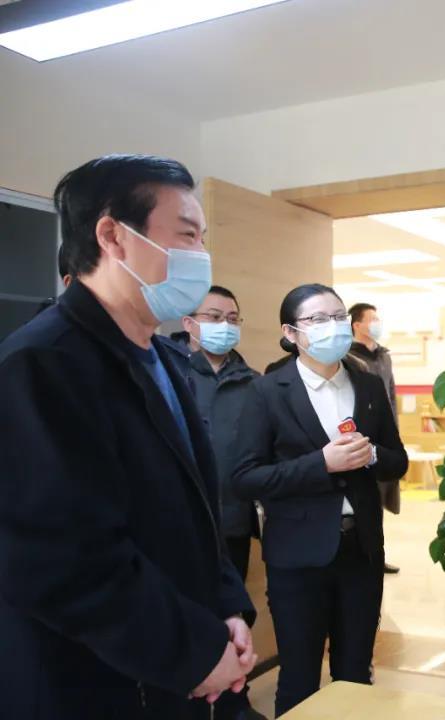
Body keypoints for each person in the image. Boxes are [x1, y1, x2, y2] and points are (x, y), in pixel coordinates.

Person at [0, 154, 256, 719]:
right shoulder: (43, 366)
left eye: (202, 238)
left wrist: (227, 609)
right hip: (94, 685)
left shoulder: (164, 358)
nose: (200, 254)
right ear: (113, 236)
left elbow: (196, 514)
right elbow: (66, 561)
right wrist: (193, 651)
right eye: (186, 235)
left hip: (173, 676)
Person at [232, 283, 408, 716]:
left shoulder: (368, 385)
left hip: (361, 551)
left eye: (339, 317)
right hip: (298, 556)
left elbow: (397, 461)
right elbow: (246, 477)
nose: (333, 326)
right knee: (299, 676)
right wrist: (321, 464)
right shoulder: (267, 391)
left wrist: (371, 455)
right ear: (291, 332)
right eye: (318, 319)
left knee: (356, 673)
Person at [174, 286, 267, 720]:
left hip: (232, 520)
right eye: (213, 317)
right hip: (180, 520)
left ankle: (233, 701)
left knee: (233, 613)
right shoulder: (168, 371)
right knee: (186, 614)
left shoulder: (254, 382)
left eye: (232, 319)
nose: (224, 326)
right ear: (189, 323)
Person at [347, 302, 401, 574]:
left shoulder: (384, 356)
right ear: (357, 325)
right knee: (364, 497)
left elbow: (391, 395)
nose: (377, 323)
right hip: (360, 435)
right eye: (372, 319)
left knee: (380, 498)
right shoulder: (349, 357)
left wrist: (395, 433)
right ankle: (363, 555)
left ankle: (377, 554)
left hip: (384, 437)